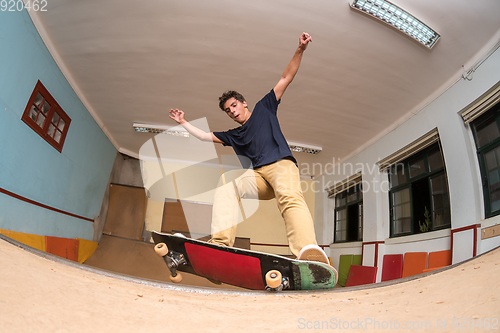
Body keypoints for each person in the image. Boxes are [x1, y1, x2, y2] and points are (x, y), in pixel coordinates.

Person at [169, 32, 329, 265]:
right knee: (227, 183)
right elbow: (204, 136)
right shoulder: (232, 135)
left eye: (234, 105)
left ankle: (308, 254)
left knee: (289, 198)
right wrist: (184, 122)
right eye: (228, 110)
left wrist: (300, 49)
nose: (233, 111)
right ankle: (220, 245)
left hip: (281, 166)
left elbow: (286, 78)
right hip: (259, 178)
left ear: (243, 103)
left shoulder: (264, 107)